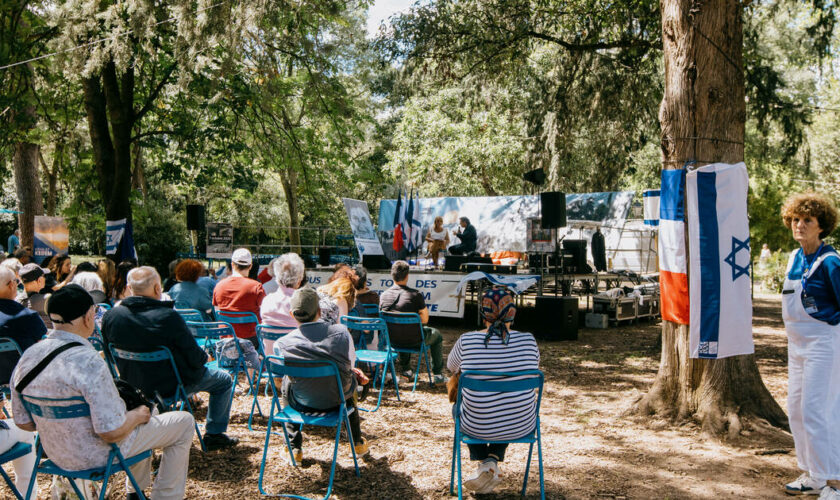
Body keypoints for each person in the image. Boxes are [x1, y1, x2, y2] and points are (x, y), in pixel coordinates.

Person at [11, 284, 196, 499]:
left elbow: (23, 422)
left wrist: (57, 423)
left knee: (146, 416)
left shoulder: (28, 357)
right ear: (89, 316)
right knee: (182, 422)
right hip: (100, 454)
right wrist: (136, 416)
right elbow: (111, 431)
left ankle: (136, 492)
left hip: (56, 454)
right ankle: (165, 496)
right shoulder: (88, 361)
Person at [103, 267, 238, 452]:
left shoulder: (112, 316)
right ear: (158, 289)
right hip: (173, 384)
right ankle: (214, 434)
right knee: (224, 381)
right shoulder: (168, 317)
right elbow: (194, 356)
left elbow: (109, 355)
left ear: (129, 288)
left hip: (132, 384)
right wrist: (204, 357)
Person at [447, 287, 541, 494]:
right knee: (509, 401)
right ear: (513, 313)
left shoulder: (467, 340)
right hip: (521, 424)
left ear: (483, 314)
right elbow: (533, 369)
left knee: (459, 407)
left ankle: (485, 463)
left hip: (476, 426)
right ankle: (492, 460)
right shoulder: (529, 341)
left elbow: (451, 367)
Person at [779, 193, 840, 498]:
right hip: (797, 344)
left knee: (819, 410)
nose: (799, 225)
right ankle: (813, 473)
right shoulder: (794, 257)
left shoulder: (831, 262)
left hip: (823, 343)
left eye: (807, 221)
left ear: (821, 227)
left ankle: (834, 482)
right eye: (795, 219)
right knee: (797, 411)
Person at [273, 287, 369, 461]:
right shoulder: (341, 333)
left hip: (301, 403)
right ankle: (357, 443)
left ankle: (293, 448)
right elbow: (351, 364)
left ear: (292, 314)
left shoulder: (282, 344)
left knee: (288, 380)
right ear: (319, 311)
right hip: (338, 400)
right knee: (347, 377)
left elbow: (280, 377)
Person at [379, 260, 446, 383]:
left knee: (400, 329)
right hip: (414, 340)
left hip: (392, 341)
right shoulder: (415, 295)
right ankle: (438, 374)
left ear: (392, 275)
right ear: (407, 275)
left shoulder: (383, 296)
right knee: (436, 335)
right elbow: (425, 320)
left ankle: (407, 370)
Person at [0, 267, 47, 384]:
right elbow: (45, 345)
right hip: (23, 377)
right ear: (11, 285)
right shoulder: (28, 316)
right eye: (17, 282)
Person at [212, 248, 266, 350]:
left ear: (232, 264)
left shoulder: (219, 286)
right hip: (252, 342)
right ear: (250, 266)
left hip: (226, 340)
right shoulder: (256, 287)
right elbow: (265, 314)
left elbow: (217, 314)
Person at [17, 263, 52, 328]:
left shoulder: (16, 300)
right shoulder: (47, 299)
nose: (45, 279)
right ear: (39, 280)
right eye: (44, 276)